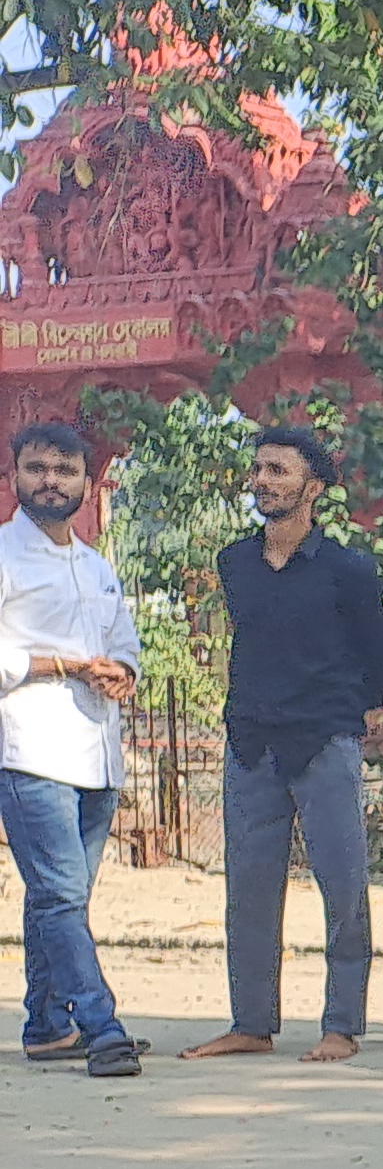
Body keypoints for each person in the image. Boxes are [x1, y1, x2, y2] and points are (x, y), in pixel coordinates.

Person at [181, 427, 383, 1065]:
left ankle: (342, 1024)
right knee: (247, 886)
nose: (263, 481)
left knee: (343, 882)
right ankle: (251, 1022)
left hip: (325, 739)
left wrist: (353, 710)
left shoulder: (348, 569)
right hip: (250, 740)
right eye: (259, 469)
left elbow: (377, 654)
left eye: (278, 470)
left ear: (313, 487)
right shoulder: (235, 563)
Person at [0, 419, 144, 1078]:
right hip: (29, 749)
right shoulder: (3, 555)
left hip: (96, 753)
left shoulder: (96, 566)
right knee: (59, 893)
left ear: (89, 482)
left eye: (64, 470)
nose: (50, 480)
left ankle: (47, 1026)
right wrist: (59, 666)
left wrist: (123, 672)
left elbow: (124, 642)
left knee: (61, 898)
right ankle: (99, 1022)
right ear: (15, 477)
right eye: (37, 468)